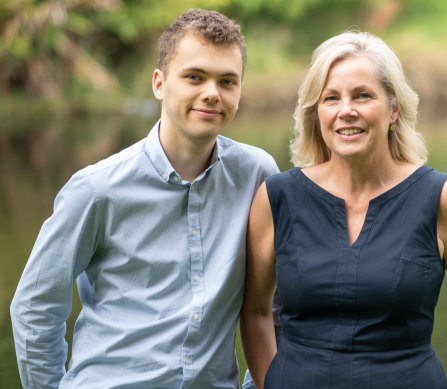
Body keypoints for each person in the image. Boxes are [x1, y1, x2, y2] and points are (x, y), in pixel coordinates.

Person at [10, 8, 278, 388]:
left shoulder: (257, 176)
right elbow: (36, 306)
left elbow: (276, 303)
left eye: (227, 81)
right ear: (159, 83)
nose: (212, 94)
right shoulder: (95, 189)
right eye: (194, 77)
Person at [240, 31, 447, 389]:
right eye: (331, 98)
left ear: (393, 109)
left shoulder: (441, 197)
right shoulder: (277, 197)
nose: (347, 110)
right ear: (317, 113)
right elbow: (254, 312)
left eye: (362, 95)